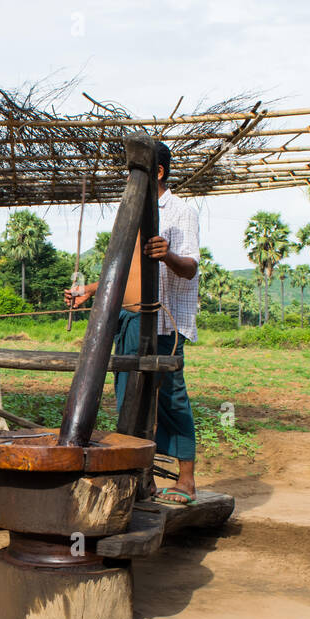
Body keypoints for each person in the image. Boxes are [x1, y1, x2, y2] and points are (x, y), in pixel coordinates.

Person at [64, 141, 200, 506]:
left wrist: (166, 255)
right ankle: (143, 480)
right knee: (129, 401)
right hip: (126, 321)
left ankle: (185, 480)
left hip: (161, 324)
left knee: (170, 400)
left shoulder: (180, 210)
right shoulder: (129, 212)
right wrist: (90, 290)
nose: (129, 178)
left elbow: (190, 267)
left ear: (158, 172)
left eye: (136, 170)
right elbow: (125, 271)